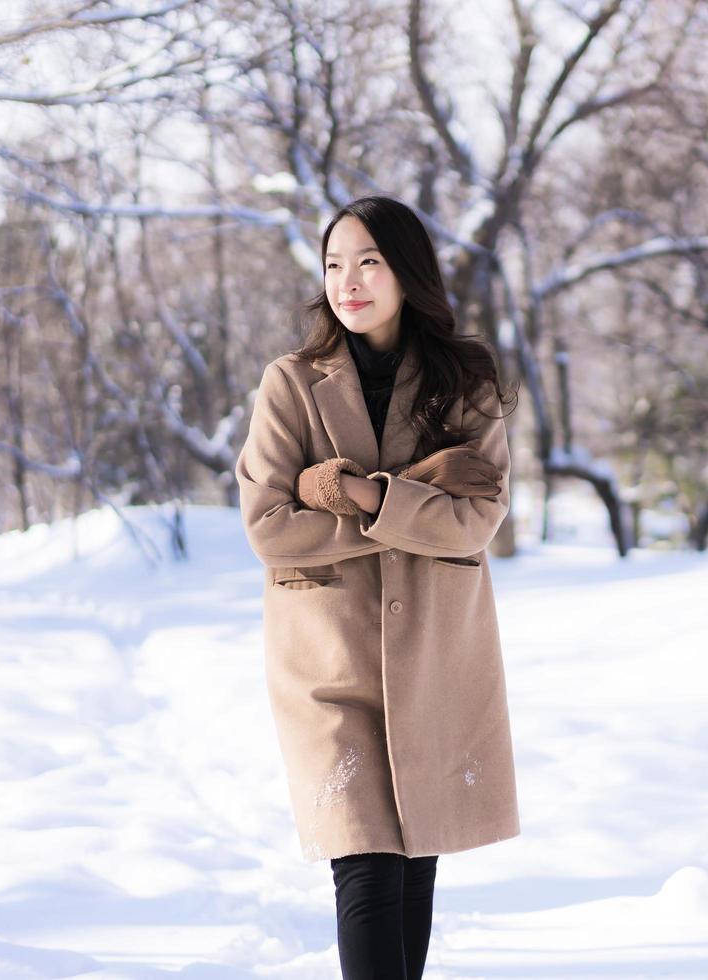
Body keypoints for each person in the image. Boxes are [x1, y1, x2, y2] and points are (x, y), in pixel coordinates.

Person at [234, 195, 522, 980]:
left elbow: (474, 524)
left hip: (436, 652)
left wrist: (361, 494)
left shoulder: (466, 381)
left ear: (406, 272)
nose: (348, 282)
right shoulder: (291, 384)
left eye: (368, 261)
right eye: (334, 265)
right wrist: (416, 492)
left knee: (414, 864)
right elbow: (270, 525)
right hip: (328, 660)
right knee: (363, 864)